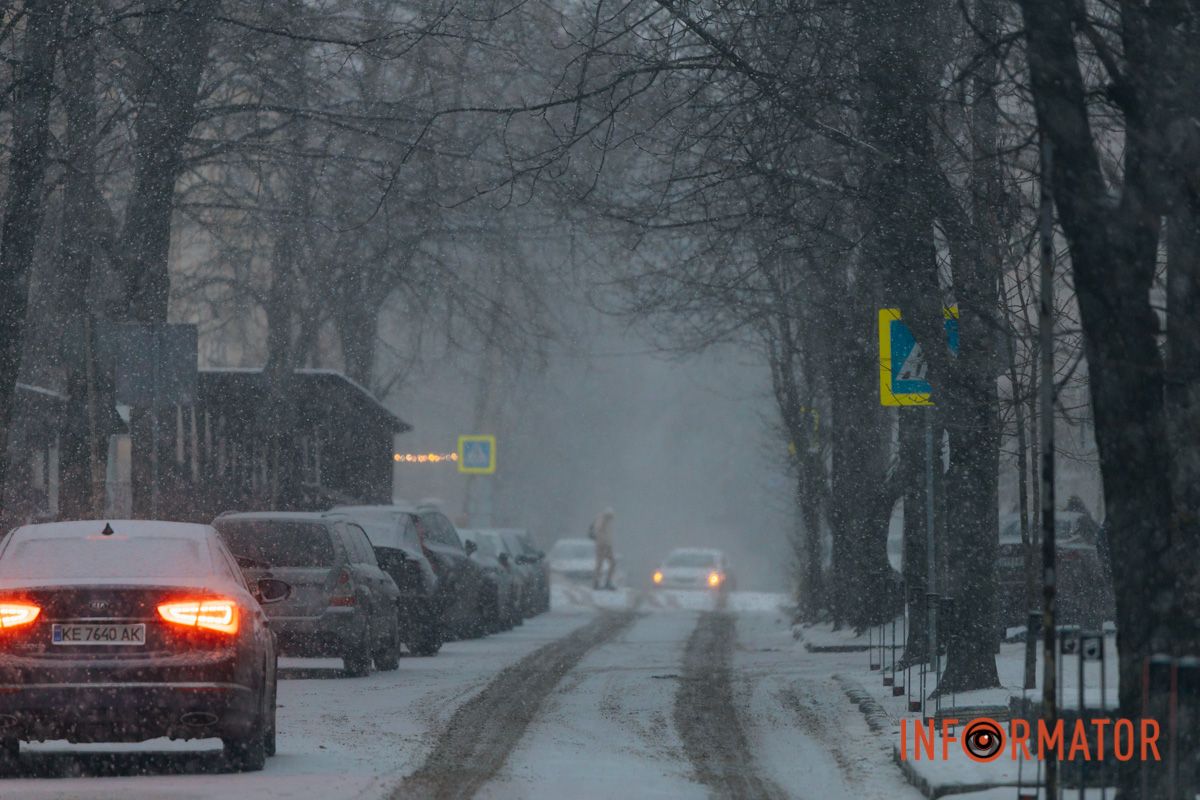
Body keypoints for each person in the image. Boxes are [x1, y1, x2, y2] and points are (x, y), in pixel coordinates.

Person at [591, 507, 616, 590]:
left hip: (605, 545)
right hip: (603, 545)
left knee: (605, 564)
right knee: (605, 564)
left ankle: (601, 582)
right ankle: (600, 582)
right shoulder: (602, 520)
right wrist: (604, 543)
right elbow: (599, 532)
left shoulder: (605, 521)